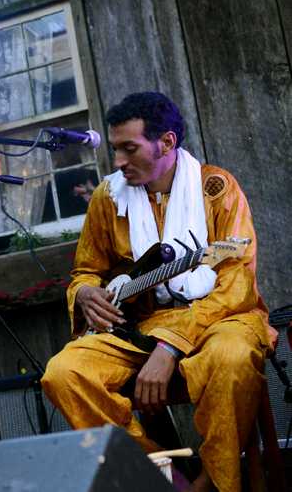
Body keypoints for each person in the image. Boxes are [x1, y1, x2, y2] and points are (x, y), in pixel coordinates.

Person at [41, 92, 272, 492]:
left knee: (232, 356)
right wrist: (83, 294)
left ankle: (213, 482)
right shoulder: (107, 199)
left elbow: (236, 282)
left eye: (129, 149)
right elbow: (86, 271)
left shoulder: (217, 189)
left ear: (166, 142)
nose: (117, 162)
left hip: (220, 317)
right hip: (141, 324)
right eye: (115, 150)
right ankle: (155, 480)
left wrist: (169, 347)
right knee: (64, 374)